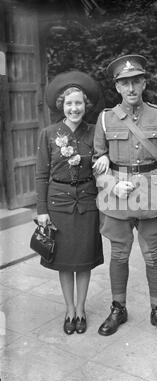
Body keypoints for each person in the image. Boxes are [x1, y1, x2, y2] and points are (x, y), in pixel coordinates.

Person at [93, 55, 157, 339]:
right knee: (119, 255)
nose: (130, 88)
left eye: (135, 81)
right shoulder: (106, 119)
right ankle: (118, 307)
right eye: (124, 83)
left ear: (144, 83)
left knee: (153, 255)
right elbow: (97, 162)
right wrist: (110, 185)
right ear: (117, 87)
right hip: (118, 197)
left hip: (153, 195)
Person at [36, 71, 104, 335]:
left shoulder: (95, 132)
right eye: (69, 104)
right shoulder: (49, 134)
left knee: (84, 259)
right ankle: (69, 310)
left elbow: (105, 158)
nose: (74, 108)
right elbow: (41, 174)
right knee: (64, 261)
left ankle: (82, 308)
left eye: (78, 103)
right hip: (59, 205)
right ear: (61, 106)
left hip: (87, 204)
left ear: (85, 105)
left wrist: (105, 159)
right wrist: (42, 211)